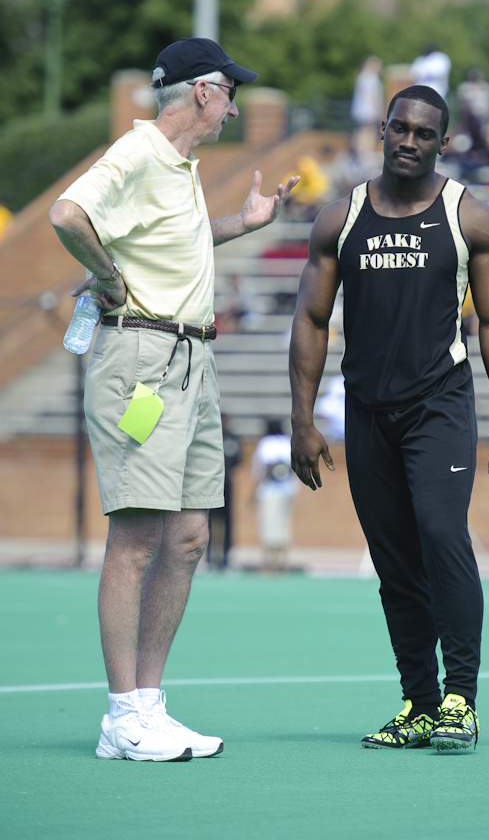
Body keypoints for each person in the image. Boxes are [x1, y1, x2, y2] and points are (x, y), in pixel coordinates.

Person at [49, 37, 299, 762]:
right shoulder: (136, 154)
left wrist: (244, 226)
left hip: (192, 357)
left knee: (188, 539)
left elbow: (175, 241)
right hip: (142, 360)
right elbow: (69, 216)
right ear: (202, 92)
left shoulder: (180, 168)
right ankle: (121, 717)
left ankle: (149, 708)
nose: (233, 108)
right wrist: (106, 276)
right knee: (137, 540)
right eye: (229, 94)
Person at [289, 84, 489, 754]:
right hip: (365, 411)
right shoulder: (339, 218)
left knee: (440, 531)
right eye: (399, 129)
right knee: (393, 563)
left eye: (424, 133)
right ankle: (418, 702)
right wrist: (302, 420)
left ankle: (460, 700)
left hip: (438, 406)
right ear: (382, 131)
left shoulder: (470, 219)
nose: (410, 141)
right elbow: (309, 319)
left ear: (443, 141)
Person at [251, 419, 299, 571]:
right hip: (288, 489)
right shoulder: (286, 442)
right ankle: (283, 560)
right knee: (284, 524)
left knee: (269, 525)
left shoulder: (267, 443)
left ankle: (270, 561)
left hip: (270, 490)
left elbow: (268, 465)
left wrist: (255, 489)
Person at [207, 414, 242, 568]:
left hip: (227, 485)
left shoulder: (233, 439)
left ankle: (226, 557)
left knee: (227, 521)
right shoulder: (210, 437)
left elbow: (238, 459)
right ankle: (209, 556)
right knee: (209, 522)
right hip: (211, 484)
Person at [350, 57, 385, 155]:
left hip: (359, 109)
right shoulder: (372, 78)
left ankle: (358, 153)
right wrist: (379, 111)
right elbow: (374, 96)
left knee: (360, 131)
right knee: (369, 132)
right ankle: (366, 152)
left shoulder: (361, 76)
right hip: (369, 110)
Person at [456, 67, 489, 153]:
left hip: (483, 117)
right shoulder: (465, 87)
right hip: (469, 117)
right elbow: (463, 103)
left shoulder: (486, 87)